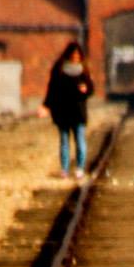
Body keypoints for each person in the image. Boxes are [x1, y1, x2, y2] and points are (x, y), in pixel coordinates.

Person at [41, 41, 93, 180]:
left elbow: (90, 89)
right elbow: (51, 89)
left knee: (80, 140)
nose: (76, 58)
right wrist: (46, 105)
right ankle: (64, 169)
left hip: (78, 111)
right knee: (64, 141)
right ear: (69, 55)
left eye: (78, 56)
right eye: (73, 55)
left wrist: (85, 90)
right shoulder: (59, 69)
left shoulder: (84, 70)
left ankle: (79, 168)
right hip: (62, 111)